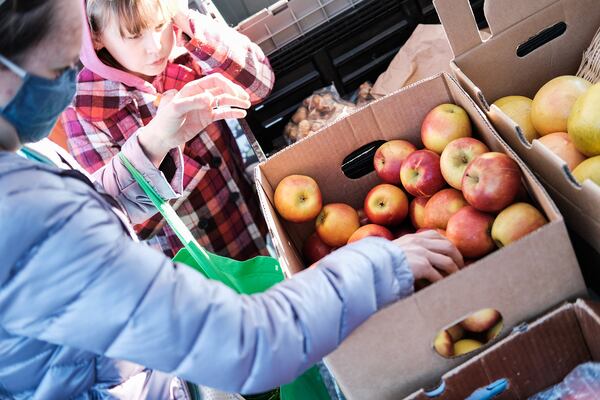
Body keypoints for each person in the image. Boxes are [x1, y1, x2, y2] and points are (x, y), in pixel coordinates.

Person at [0, 0, 463, 399]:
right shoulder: (31, 213)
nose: (65, 89)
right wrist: (380, 263)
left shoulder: (25, 160)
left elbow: (95, 211)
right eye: (61, 69)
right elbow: (247, 342)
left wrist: (153, 146)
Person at [63, 0, 275, 260]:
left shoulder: (186, 46)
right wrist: (166, 145)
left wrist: (190, 24)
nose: (155, 47)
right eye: (134, 35)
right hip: (193, 257)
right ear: (95, 37)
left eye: (160, 24)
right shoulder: (86, 109)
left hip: (243, 212)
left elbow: (261, 86)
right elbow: (129, 222)